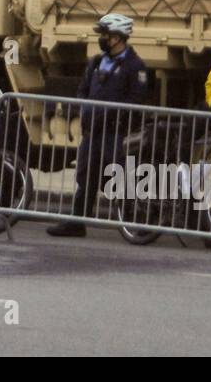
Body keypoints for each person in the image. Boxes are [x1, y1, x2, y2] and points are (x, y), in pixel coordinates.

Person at [47, 13, 150, 237]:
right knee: (86, 176)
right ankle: (77, 221)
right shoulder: (96, 62)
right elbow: (83, 89)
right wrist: (84, 108)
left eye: (106, 34)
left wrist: (112, 111)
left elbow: (136, 98)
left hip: (115, 132)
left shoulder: (135, 66)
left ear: (118, 37)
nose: (102, 38)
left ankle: (136, 222)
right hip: (92, 131)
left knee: (121, 176)